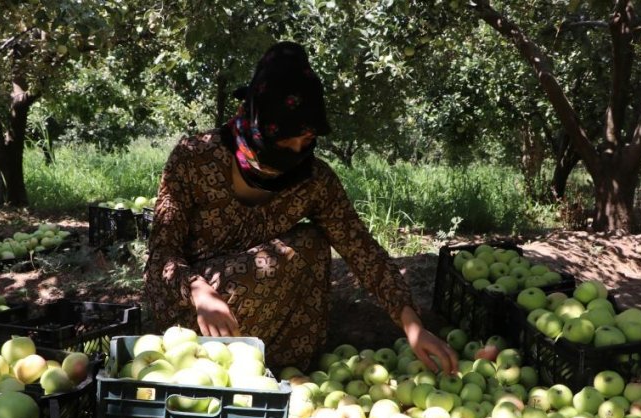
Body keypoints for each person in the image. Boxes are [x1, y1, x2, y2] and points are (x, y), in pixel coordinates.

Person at [143, 41, 458, 375]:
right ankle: (214, 364)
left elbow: (363, 251)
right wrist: (198, 290)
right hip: (192, 316)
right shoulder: (195, 159)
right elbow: (162, 254)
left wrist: (412, 325)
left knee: (312, 243)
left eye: (306, 141)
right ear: (255, 120)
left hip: (257, 304)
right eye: (283, 141)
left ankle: (284, 372)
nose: (294, 151)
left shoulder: (313, 180)